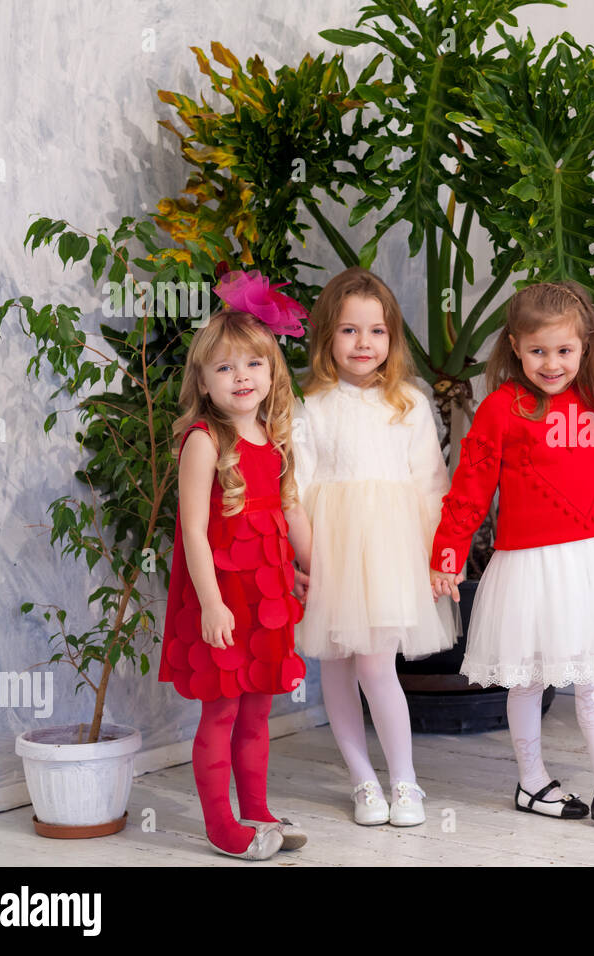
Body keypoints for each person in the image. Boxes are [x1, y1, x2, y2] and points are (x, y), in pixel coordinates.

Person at [429, 281, 594, 835]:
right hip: (530, 568)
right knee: (529, 679)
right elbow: (469, 489)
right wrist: (448, 554)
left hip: (591, 562)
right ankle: (532, 781)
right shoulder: (500, 410)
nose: (552, 363)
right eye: (538, 351)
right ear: (515, 346)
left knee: (593, 679)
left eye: (564, 351)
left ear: (584, 346)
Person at [292, 267, 456, 826]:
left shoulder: (409, 401)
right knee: (335, 668)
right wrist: (305, 559)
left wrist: (438, 557)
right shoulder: (309, 404)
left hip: (390, 554)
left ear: (392, 338)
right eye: (348, 331)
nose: (364, 343)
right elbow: (294, 487)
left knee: (377, 665)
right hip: (328, 552)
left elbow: (431, 484)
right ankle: (364, 780)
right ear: (325, 338)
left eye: (376, 331)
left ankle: (405, 780)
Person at [160, 271, 312, 859]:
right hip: (222, 599)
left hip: (267, 597)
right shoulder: (204, 441)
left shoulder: (272, 437)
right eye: (224, 368)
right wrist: (213, 602)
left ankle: (257, 810)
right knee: (222, 711)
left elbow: (289, 509)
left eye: (252, 365)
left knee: (257, 712)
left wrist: (314, 566)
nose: (240, 377)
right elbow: (194, 533)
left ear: (271, 373)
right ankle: (221, 826)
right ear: (202, 381)